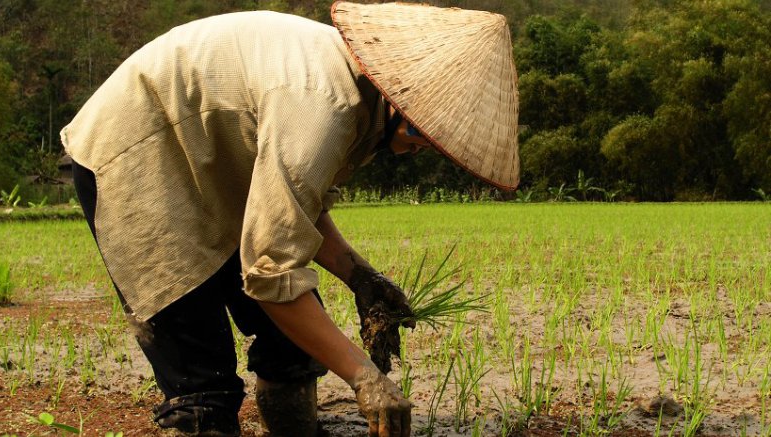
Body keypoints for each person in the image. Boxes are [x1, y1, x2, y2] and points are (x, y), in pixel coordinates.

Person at [60, 1, 518, 436]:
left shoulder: (353, 93)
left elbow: (297, 209)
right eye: (421, 128)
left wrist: (360, 276)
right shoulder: (323, 109)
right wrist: (365, 378)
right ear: (398, 94)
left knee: (294, 343)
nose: (424, 144)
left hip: (212, 170)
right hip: (139, 159)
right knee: (202, 381)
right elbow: (272, 270)